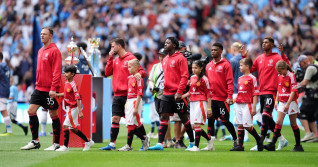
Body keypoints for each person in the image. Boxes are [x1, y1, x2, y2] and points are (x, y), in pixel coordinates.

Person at [149, 37, 195, 150]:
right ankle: (160, 144)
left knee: (184, 119)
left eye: (168, 43)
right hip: (166, 94)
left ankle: (192, 143)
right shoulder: (165, 59)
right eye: (165, 42)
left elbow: (184, 76)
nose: (165, 44)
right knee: (163, 117)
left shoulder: (180, 58)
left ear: (174, 45)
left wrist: (179, 92)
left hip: (177, 94)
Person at [100, 38, 146, 150]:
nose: (111, 48)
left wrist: (139, 74)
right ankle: (112, 144)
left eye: (112, 46)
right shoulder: (115, 60)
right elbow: (107, 73)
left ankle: (144, 138)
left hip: (129, 96)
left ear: (119, 46)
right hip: (117, 95)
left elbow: (142, 71)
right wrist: (110, 59)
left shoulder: (131, 58)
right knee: (115, 118)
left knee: (132, 122)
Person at [21, 27, 62, 150]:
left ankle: (56, 144)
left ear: (50, 36)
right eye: (41, 34)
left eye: (44, 34)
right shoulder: (40, 51)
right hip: (39, 88)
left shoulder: (55, 51)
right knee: (31, 111)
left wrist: (53, 88)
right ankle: (35, 141)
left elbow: (56, 71)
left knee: (53, 114)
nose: (42, 36)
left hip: (50, 90)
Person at [246, 37, 289, 151]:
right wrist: (245, 58)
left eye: (266, 43)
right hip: (262, 92)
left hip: (272, 92)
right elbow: (249, 70)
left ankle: (260, 142)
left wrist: (283, 54)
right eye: (263, 42)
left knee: (265, 116)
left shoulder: (277, 57)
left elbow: (287, 67)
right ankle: (282, 140)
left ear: (272, 45)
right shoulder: (259, 58)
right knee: (268, 119)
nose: (264, 44)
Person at [264, 60, 304, 151]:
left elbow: (293, 91)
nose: (278, 73)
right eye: (277, 71)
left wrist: (288, 104)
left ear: (285, 69)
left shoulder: (291, 76)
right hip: (282, 102)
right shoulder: (279, 76)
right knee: (278, 122)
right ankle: (272, 144)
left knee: (293, 123)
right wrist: (276, 101)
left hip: (291, 102)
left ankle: (298, 145)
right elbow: (279, 89)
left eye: (280, 71)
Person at [205, 42, 237, 150]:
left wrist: (229, 96)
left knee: (225, 121)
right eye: (212, 50)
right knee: (210, 120)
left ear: (221, 51)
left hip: (223, 99)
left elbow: (230, 82)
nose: (213, 51)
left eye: (215, 50)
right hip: (212, 98)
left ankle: (235, 140)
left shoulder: (226, 64)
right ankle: (210, 145)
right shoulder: (208, 65)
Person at [55, 65, 94, 151]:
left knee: (65, 125)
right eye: (64, 72)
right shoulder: (66, 83)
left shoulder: (73, 85)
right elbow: (66, 94)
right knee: (73, 128)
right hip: (69, 108)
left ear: (72, 74)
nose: (65, 74)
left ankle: (65, 146)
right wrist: (57, 95)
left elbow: (78, 98)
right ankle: (88, 141)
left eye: (67, 72)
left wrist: (80, 111)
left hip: (73, 108)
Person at [230, 58, 263, 151]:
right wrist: (233, 100)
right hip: (238, 104)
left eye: (241, 65)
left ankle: (258, 139)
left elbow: (255, 94)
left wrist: (254, 107)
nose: (240, 67)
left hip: (247, 105)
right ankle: (240, 146)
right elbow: (241, 92)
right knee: (240, 124)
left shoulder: (252, 78)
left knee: (247, 126)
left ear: (247, 66)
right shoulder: (240, 78)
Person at [181, 60, 214, 151]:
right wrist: (182, 96)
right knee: (193, 126)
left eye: (196, 68)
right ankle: (209, 139)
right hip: (192, 102)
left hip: (201, 102)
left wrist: (209, 108)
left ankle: (196, 147)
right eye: (192, 68)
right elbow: (191, 91)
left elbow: (208, 94)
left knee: (196, 124)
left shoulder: (204, 79)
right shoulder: (192, 78)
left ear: (201, 68)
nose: (193, 70)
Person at [118, 59, 150, 151]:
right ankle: (144, 138)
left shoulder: (138, 78)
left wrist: (136, 107)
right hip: (129, 101)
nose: (128, 69)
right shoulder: (129, 78)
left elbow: (139, 94)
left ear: (136, 67)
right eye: (128, 67)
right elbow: (129, 93)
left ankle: (129, 146)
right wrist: (126, 104)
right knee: (130, 124)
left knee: (132, 124)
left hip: (136, 101)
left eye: (130, 67)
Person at [229, 42, 249, 142]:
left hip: (236, 90)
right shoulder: (245, 60)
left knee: (238, 115)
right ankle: (243, 136)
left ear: (233, 49)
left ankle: (241, 137)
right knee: (242, 114)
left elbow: (229, 76)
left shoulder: (232, 61)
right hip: (245, 89)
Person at [148, 49, 167, 142]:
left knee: (165, 116)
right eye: (160, 56)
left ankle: (165, 140)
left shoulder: (170, 66)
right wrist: (152, 88)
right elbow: (150, 79)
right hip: (157, 95)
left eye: (163, 56)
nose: (161, 58)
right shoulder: (155, 66)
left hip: (167, 94)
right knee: (161, 117)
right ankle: (166, 140)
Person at [297, 55, 318, 142]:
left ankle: (308, 134)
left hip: (312, 95)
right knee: (310, 117)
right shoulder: (314, 67)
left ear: (304, 61)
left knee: (301, 112)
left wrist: (295, 87)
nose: (301, 66)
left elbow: (305, 82)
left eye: (300, 64)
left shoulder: (310, 68)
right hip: (315, 95)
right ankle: (316, 136)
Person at [0, 52, 12, 136]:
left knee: (3, 111)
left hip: (1, 91)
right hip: (5, 89)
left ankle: (9, 131)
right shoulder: (6, 67)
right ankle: (9, 130)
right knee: (3, 111)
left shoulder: (0, 66)